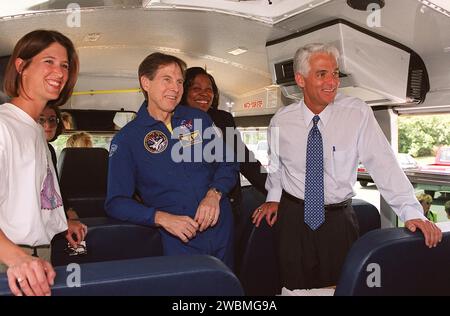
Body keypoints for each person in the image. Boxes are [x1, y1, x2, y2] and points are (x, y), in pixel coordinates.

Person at [252, 43, 442, 290]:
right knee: (294, 289)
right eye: (322, 74)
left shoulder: (357, 113)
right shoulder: (281, 120)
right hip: (293, 219)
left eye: (335, 73)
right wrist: (273, 197)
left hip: (338, 222)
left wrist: (411, 212)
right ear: (300, 79)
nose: (332, 82)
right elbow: (277, 164)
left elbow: (384, 164)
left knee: (340, 288)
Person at [105, 53, 239, 268]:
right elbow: (116, 202)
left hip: (220, 228)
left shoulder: (199, 119)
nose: (175, 88)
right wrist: (161, 218)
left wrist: (215, 193)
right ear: (145, 82)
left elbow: (228, 163)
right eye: (166, 79)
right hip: (178, 238)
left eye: (179, 81)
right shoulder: (127, 139)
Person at [0, 29, 79, 296]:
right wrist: (16, 258)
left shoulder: (33, 129)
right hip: (11, 261)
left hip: (37, 256)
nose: (59, 72)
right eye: (49, 61)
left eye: (64, 65)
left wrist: (61, 221)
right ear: (21, 66)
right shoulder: (3, 126)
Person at [180, 67, 267, 222]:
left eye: (209, 89)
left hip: (229, 206)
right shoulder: (175, 123)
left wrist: (276, 193)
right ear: (184, 92)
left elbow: (246, 161)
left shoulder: (223, 120)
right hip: (189, 211)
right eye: (196, 88)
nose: (204, 94)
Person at [39, 104, 88, 246]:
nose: (48, 125)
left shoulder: (48, 150)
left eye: (52, 119)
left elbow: (53, 187)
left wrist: (68, 210)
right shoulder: (28, 150)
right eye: (41, 120)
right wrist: (62, 221)